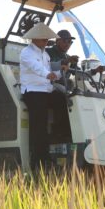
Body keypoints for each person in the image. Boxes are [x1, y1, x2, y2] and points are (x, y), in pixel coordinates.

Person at [20, 22, 68, 169]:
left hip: (46, 90)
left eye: (47, 39)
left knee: (64, 101)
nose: (46, 42)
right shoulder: (26, 53)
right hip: (33, 91)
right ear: (34, 38)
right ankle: (38, 159)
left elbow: (50, 73)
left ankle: (60, 136)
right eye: (44, 39)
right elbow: (38, 68)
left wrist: (62, 71)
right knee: (39, 125)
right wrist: (49, 74)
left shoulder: (45, 54)